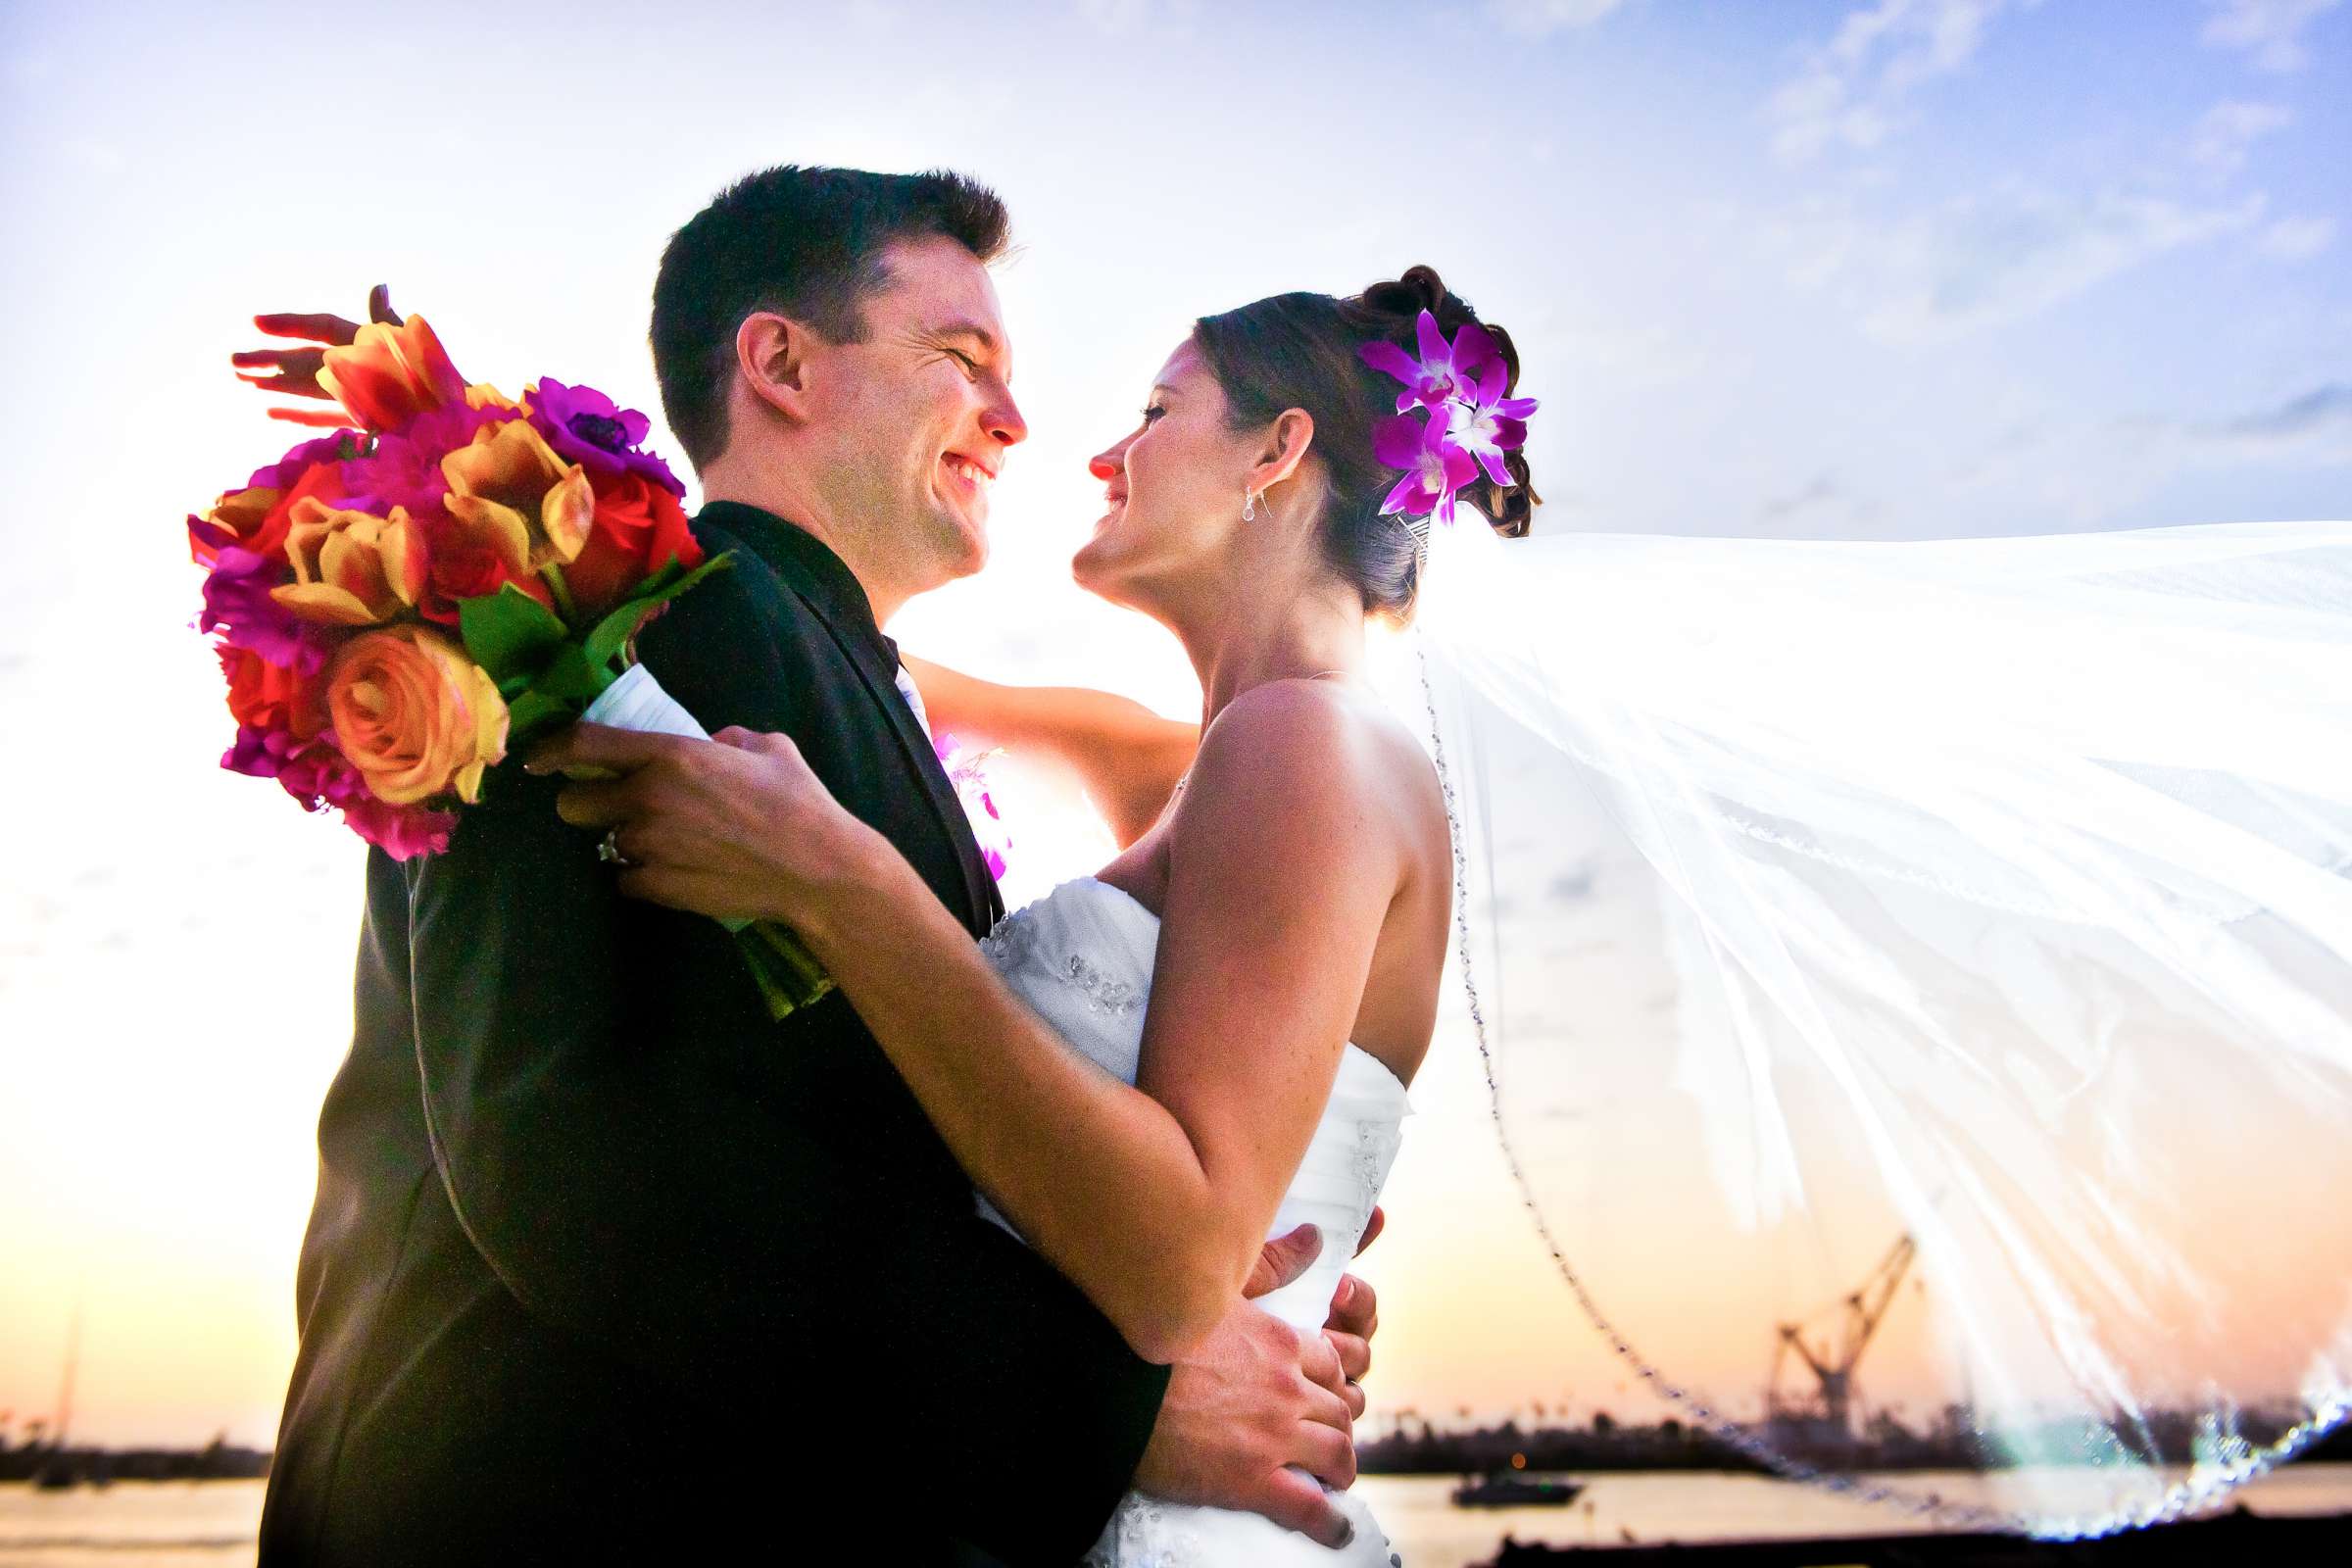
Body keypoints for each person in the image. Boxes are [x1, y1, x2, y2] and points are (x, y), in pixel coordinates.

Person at [237, 166, 1383, 1567]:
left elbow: (896, 1150)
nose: (1017, 423)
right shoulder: (626, 621)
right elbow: (586, 1160)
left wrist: (1230, 1278)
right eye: (963, 363)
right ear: (777, 362)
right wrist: (1104, 1408)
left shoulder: (814, 654)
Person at [528, 268, 1525, 1563]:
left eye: (1160, 410)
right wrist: (512, 520)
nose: (1103, 455)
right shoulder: (1196, 759)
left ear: (1277, 453)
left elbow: (1184, 1256)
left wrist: (844, 885)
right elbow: (831, 644)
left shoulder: (1300, 747)